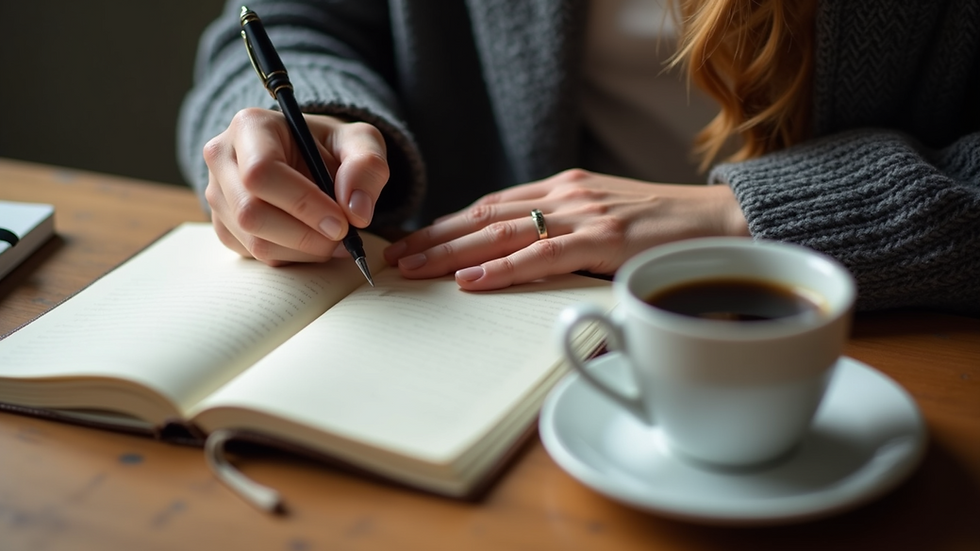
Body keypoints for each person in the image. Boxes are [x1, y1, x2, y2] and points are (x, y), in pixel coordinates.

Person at [178, 0, 980, 313]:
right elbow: (287, 25)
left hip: (888, 340)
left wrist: (737, 214)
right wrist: (313, 121)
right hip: (502, 323)